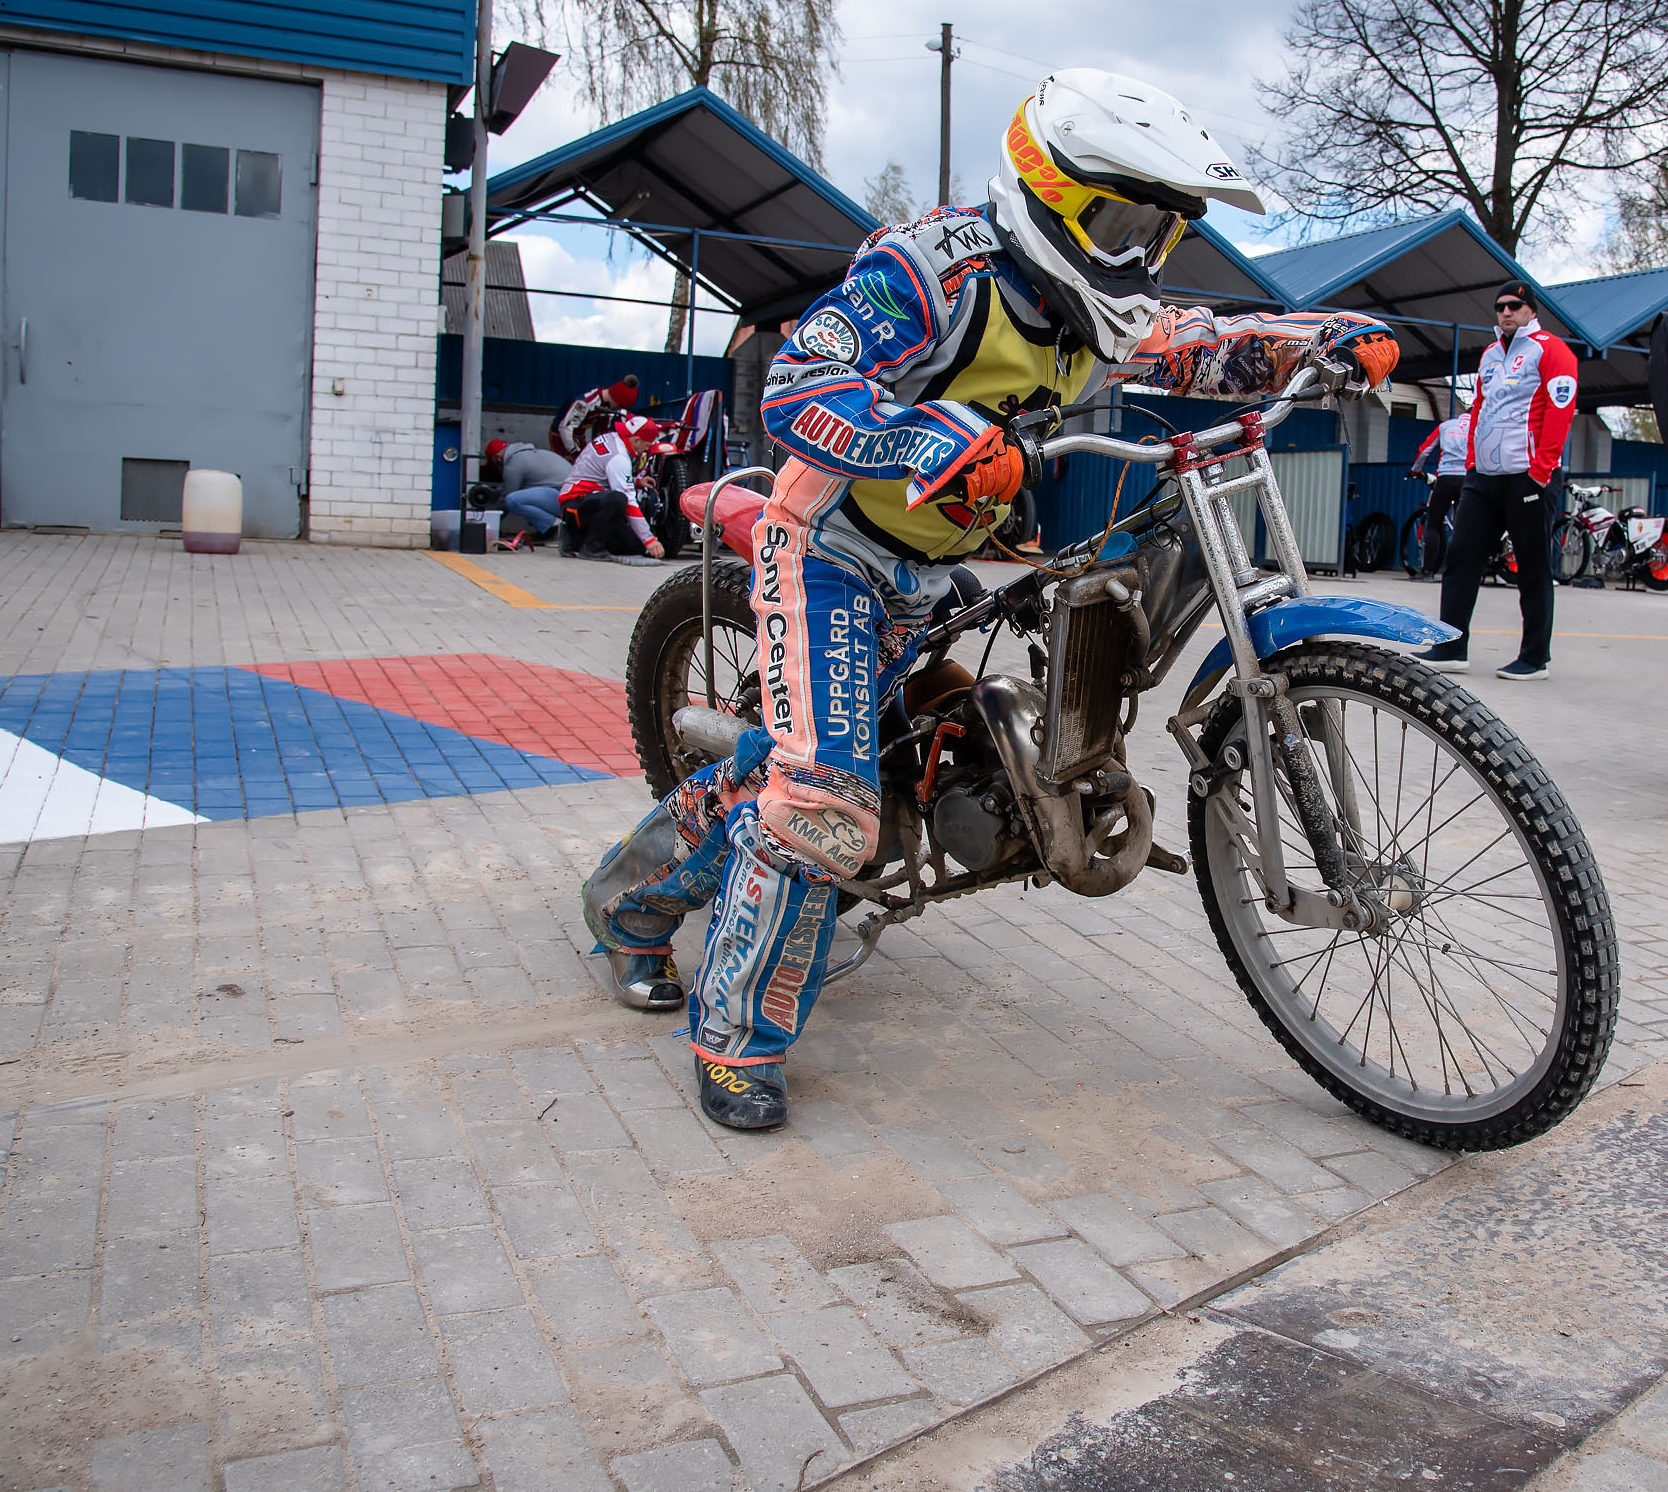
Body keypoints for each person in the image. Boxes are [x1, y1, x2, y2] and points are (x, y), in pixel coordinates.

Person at [576, 69, 1400, 1132]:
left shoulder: (1102, 305)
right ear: (1049, 195)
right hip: (831, 548)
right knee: (825, 798)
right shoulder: (929, 271)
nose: (1144, 255)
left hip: (939, 568)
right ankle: (733, 1035)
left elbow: (1192, 341)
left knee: (793, 767)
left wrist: (1318, 337)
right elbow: (798, 383)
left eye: (1163, 231)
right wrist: (927, 437)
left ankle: (627, 895)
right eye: (1125, 221)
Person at [1417, 282, 1578, 679]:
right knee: (1461, 557)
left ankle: (1535, 657)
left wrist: (1541, 472)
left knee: (1532, 565)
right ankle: (1452, 646)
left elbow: (1562, 411)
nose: (1506, 312)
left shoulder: (1551, 349)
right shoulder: (1490, 355)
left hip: (1528, 476)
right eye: (1500, 307)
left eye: (1514, 306)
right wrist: (1472, 462)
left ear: (1530, 310)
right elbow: (1481, 411)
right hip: (1483, 476)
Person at [557, 416, 668, 561]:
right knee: (619, 500)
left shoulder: (611, 439)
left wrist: (635, 481)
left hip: (580, 504)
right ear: (636, 440)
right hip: (576, 506)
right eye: (646, 446)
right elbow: (629, 501)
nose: (646, 450)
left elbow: (602, 475)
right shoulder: (619, 458)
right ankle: (591, 548)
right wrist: (649, 540)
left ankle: (575, 539)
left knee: (633, 544)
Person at [1408, 412, 1470, 580]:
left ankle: (1428, 572)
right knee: (1463, 527)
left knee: (1434, 523)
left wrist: (1415, 470)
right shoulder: (1478, 426)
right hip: (1468, 478)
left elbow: (1424, 450)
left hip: (1445, 477)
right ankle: (1460, 572)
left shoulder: (1445, 426)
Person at [489, 439, 572, 545]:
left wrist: (491, 522)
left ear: (498, 458)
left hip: (564, 497)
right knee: (527, 497)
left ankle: (554, 528)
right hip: (573, 496)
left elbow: (507, 497)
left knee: (513, 500)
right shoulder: (533, 454)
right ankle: (546, 531)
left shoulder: (513, 463)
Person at [551, 375, 640, 458]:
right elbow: (565, 428)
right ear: (616, 399)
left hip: (578, 437)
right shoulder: (585, 402)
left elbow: (602, 432)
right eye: (620, 406)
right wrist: (575, 453)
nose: (618, 409)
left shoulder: (606, 406)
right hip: (560, 436)